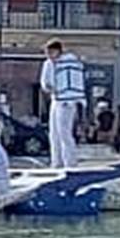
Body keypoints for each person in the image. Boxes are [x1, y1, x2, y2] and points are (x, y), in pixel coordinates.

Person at [39, 38, 85, 168]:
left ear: (58, 51)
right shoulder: (49, 64)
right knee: (54, 133)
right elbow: (45, 82)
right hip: (56, 99)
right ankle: (57, 161)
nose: (48, 55)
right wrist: (48, 87)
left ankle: (70, 162)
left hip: (67, 101)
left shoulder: (68, 62)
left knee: (64, 132)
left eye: (50, 52)